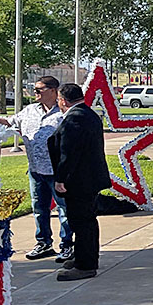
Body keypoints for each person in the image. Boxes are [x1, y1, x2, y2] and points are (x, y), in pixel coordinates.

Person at [0, 76, 73, 262]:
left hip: (57, 171)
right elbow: (10, 122)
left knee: (64, 209)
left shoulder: (63, 112)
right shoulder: (30, 110)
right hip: (35, 170)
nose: (35, 93)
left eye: (39, 90)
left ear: (53, 91)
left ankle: (67, 245)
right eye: (34, 89)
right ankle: (43, 243)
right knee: (39, 209)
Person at [48, 83, 111, 282]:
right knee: (87, 220)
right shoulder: (89, 114)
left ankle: (85, 265)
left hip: (79, 180)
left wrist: (61, 178)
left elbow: (69, 153)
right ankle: (84, 256)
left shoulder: (74, 119)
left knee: (81, 222)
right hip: (89, 178)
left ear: (62, 100)